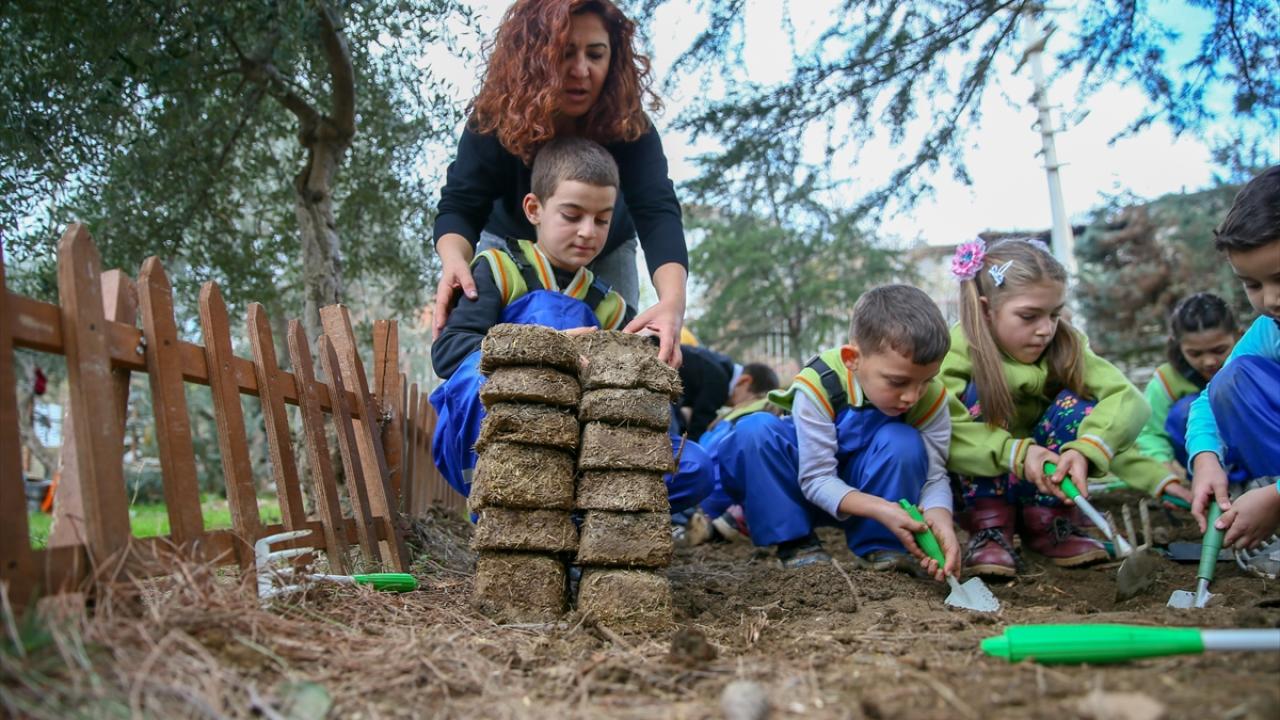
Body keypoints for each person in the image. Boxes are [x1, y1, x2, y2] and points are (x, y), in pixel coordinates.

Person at [429, 137, 711, 511]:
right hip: (498, 440)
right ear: (534, 209)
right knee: (477, 371)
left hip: (578, 447)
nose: (588, 232)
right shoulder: (496, 270)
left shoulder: (610, 306)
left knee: (695, 466)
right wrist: (540, 352)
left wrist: (653, 357)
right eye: (572, 215)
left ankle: (579, 518)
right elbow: (448, 354)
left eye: (602, 219)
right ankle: (497, 505)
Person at [431, 0, 688, 367]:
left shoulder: (631, 127)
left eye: (595, 55)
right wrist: (454, 260)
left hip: (607, 252)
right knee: (490, 361)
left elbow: (657, 211)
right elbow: (460, 203)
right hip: (506, 243)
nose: (581, 70)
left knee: (612, 367)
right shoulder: (494, 119)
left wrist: (672, 302)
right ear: (535, 57)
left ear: (613, 59)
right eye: (566, 53)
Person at [943, 237, 1184, 578]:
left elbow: (1127, 400)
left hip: (1047, 481)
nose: (1045, 330)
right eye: (1029, 316)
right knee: (975, 395)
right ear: (985, 310)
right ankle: (990, 529)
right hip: (981, 482)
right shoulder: (957, 349)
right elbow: (944, 427)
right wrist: (1015, 453)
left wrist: (1086, 450)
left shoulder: (1066, 345)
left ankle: (1051, 523)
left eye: (1055, 314)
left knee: (1079, 402)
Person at [715, 285, 959, 580]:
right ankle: (796, 543)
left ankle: (882, 546)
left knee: (903, 441)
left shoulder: (930, 397)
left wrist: (940, 517)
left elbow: (934, 476)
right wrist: (881, 508)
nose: (912, 396)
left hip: (872, 493)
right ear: (852, 358)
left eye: (925, 381)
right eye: (897, 382)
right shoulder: (820, 382)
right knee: (754, 430)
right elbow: (816, 477)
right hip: (801, 488)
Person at [1186, 165, 1280, 579]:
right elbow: (1209, 401)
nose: (1270, 300)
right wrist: (1206, 459)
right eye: (1252, 285)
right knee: (1234, 380)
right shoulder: (1270, 330)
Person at [1135, 293, 1240, 484]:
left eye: (1219, 350)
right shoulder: (1166, 381)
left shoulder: (1252, 366)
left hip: (1252, 455)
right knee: (1185, 409)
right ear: (1177, 345)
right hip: (1196, 466)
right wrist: (1163, 465)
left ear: (1238, 335)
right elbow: (1151, 433)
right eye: (1195, 354)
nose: (1209, 362)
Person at [676, 360, 780, 546]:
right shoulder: (769, 409)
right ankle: (734, 520)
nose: (729, 397)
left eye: (734, 389)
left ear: (745, 381)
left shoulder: (727, 418)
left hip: (693, 496)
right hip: (726, 499)